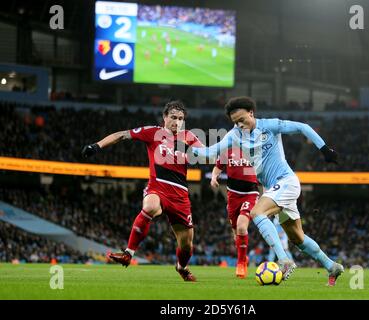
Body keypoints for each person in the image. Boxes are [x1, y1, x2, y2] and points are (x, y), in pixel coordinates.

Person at [190, 96, 344, 286]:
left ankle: (284, 261)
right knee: (297, 238)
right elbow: (209, 152)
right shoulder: (234, 135)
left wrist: (325, 150)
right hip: (276, 191)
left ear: (251, 113)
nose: (240, 125)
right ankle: (332, 266)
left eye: (242, 119)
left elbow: (303, 127)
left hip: (286, 182)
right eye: (235, 122)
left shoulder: (270, 125)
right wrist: (188, 144)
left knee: (257, 212)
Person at [81, 101, 202, 282]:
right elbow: (122, 135)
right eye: (173, 118)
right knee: (151, 206)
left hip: (180, 195)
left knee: (186, 245)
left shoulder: (189, 137)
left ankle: (181, 267)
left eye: (181, 119)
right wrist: (97, 146)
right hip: (157, 186)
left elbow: (207, 153)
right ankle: (128, 253)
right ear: (165, 117)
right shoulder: (153, 132)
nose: (177, 122)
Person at [210, 147, 259, 278]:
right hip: (232, 196)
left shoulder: (255, 149)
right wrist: (214, 177)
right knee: (236, 233)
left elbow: (260, 170)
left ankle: (241, 263)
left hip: (250, 193)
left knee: (242, 226)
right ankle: (243, 256)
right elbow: (218, 167)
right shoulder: (228, 150)